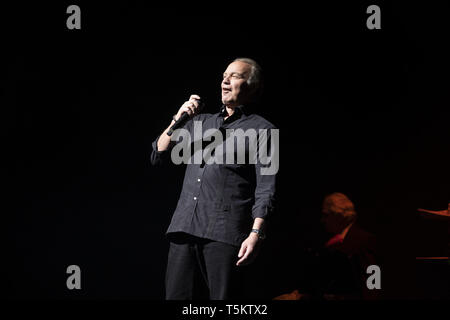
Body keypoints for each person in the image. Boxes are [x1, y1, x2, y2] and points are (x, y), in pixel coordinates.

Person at [150, 58, 278, 299]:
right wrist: (179, 117)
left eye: (235, 76)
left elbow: (266, 188)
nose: (225, 81)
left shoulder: (263, 130)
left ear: (251, 86)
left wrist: (256, 234)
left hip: (224, 234)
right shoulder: (201, 122)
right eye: (223, 76)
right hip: (184, 228)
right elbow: (158, 153)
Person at [274, 192, 379, 300]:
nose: (323, 220)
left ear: (338, 214)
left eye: (326, 215)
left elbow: (372, 283)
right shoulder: (339, 241)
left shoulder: (363, 240)